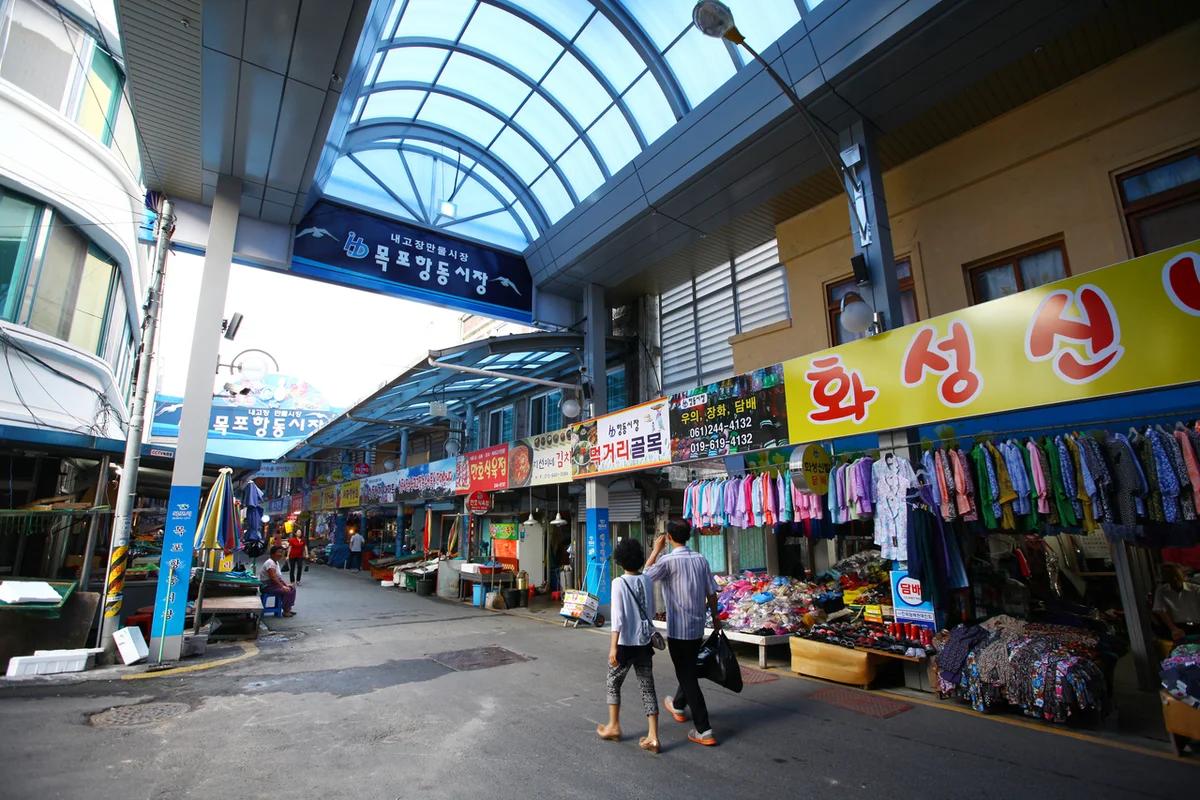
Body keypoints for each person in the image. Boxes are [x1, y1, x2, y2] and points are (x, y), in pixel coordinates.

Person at [644, 519, 720, 747]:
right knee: (687, 670)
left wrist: (655, 550)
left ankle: (704, 729)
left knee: (686, 675)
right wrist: (716, 618)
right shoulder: (700, 559)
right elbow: (712, 592)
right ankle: (678, 705)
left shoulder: (667, 561)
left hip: (678, 629)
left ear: (668, 537)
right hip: (697, 628)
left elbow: (643, 577)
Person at [596, 538, 660, 754]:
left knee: (613, 683)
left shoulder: (618, 583)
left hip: (625, 643)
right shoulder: (647, 580)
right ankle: (653, 736)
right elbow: (650, 610)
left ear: (620, 560)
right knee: (647, 687)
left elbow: (618, 618)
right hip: (643, 643)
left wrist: (613, 647)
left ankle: (614, 726)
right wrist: (655, 551)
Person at [1154, 563, 1200, 641]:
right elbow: (1160, 610)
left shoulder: (1196, 589)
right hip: (1178, 627)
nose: (1174, 579)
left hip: (1197, 626)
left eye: (1175, 575)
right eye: (1169, 576)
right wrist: (1173, 629)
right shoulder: (1162, 591)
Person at [257, 545, 296, 617]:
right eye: (279, 552)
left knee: (292, 588)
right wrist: (282, 586)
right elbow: (273, 578)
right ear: (272, 554)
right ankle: (286, 610)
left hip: (273, 585)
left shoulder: (276, 562)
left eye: (281, 552)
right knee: (287, 591)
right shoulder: (270, 563)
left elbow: (278, 578)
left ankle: (288, 609)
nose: (280, 554)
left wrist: (285, 584)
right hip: (267, 586)